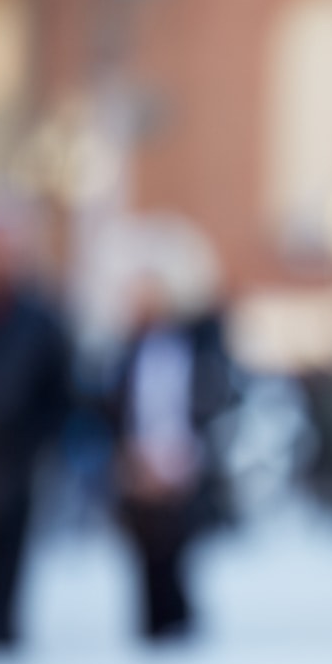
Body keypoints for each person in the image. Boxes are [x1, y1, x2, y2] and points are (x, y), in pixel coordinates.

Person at [107, 270, 238, 640]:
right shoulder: (125, 352)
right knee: (145, 553)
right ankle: (152, 627)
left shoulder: (192, 346)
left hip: (183, 463)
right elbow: (116, 409)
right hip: (139, 465)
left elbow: (210, 399)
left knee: (179, 550)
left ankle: (179, 623)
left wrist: (183, 454)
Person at [0, 216, 71, 648]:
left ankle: (2, 645)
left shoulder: (40, 320)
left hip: (12, 469)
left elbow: (60, 394)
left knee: (4, 581)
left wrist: (35, 447)